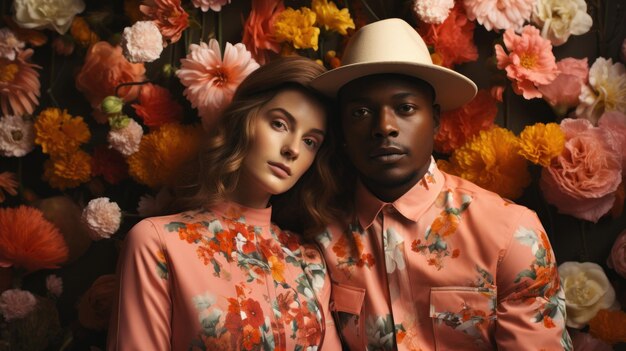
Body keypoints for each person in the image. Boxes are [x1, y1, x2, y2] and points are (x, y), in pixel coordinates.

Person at [311, 18, 572, 350]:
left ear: (434, 119)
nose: (384, 127)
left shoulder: (511, 234)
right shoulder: (319, 236)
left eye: (405, 108)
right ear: (342, 129)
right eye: (361, 112)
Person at [107, 56, 342, 350]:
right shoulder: (158, 243)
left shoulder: (310, 263)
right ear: (243, 119)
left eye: (310, 141)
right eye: (279, 124)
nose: (292, 149)